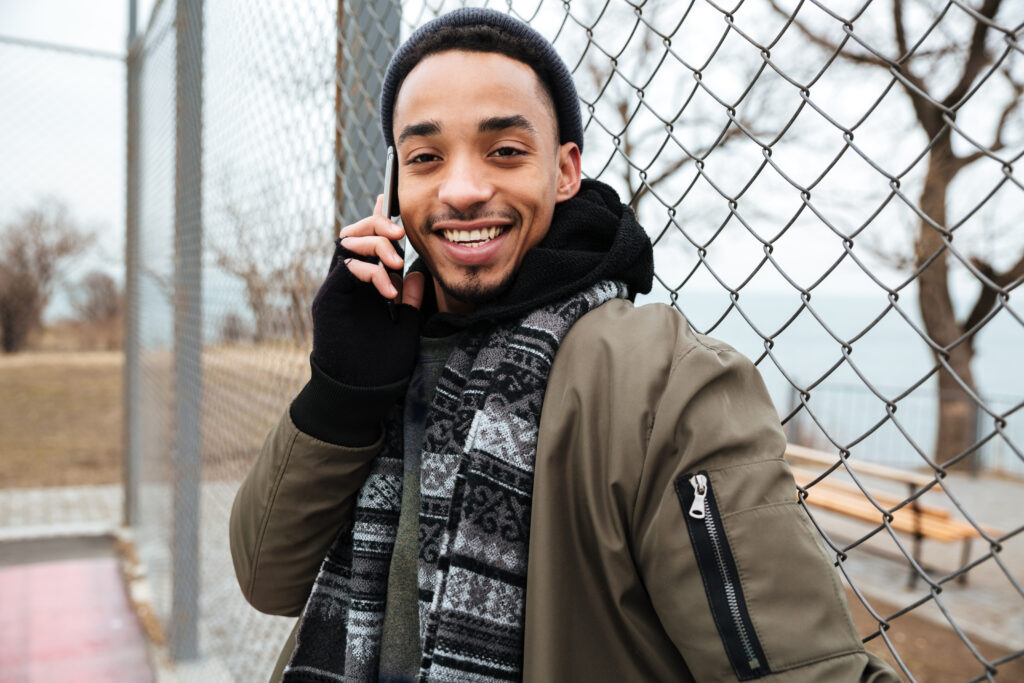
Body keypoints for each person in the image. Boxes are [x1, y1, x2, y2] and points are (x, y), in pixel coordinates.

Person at [230, 8, 898, 682]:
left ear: (565, 171)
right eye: (426, 157)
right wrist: (341, 390)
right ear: (396, 187)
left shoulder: (664, 380)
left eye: (506, 151)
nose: (463, 189)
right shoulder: (387, 349)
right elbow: (266, 577)